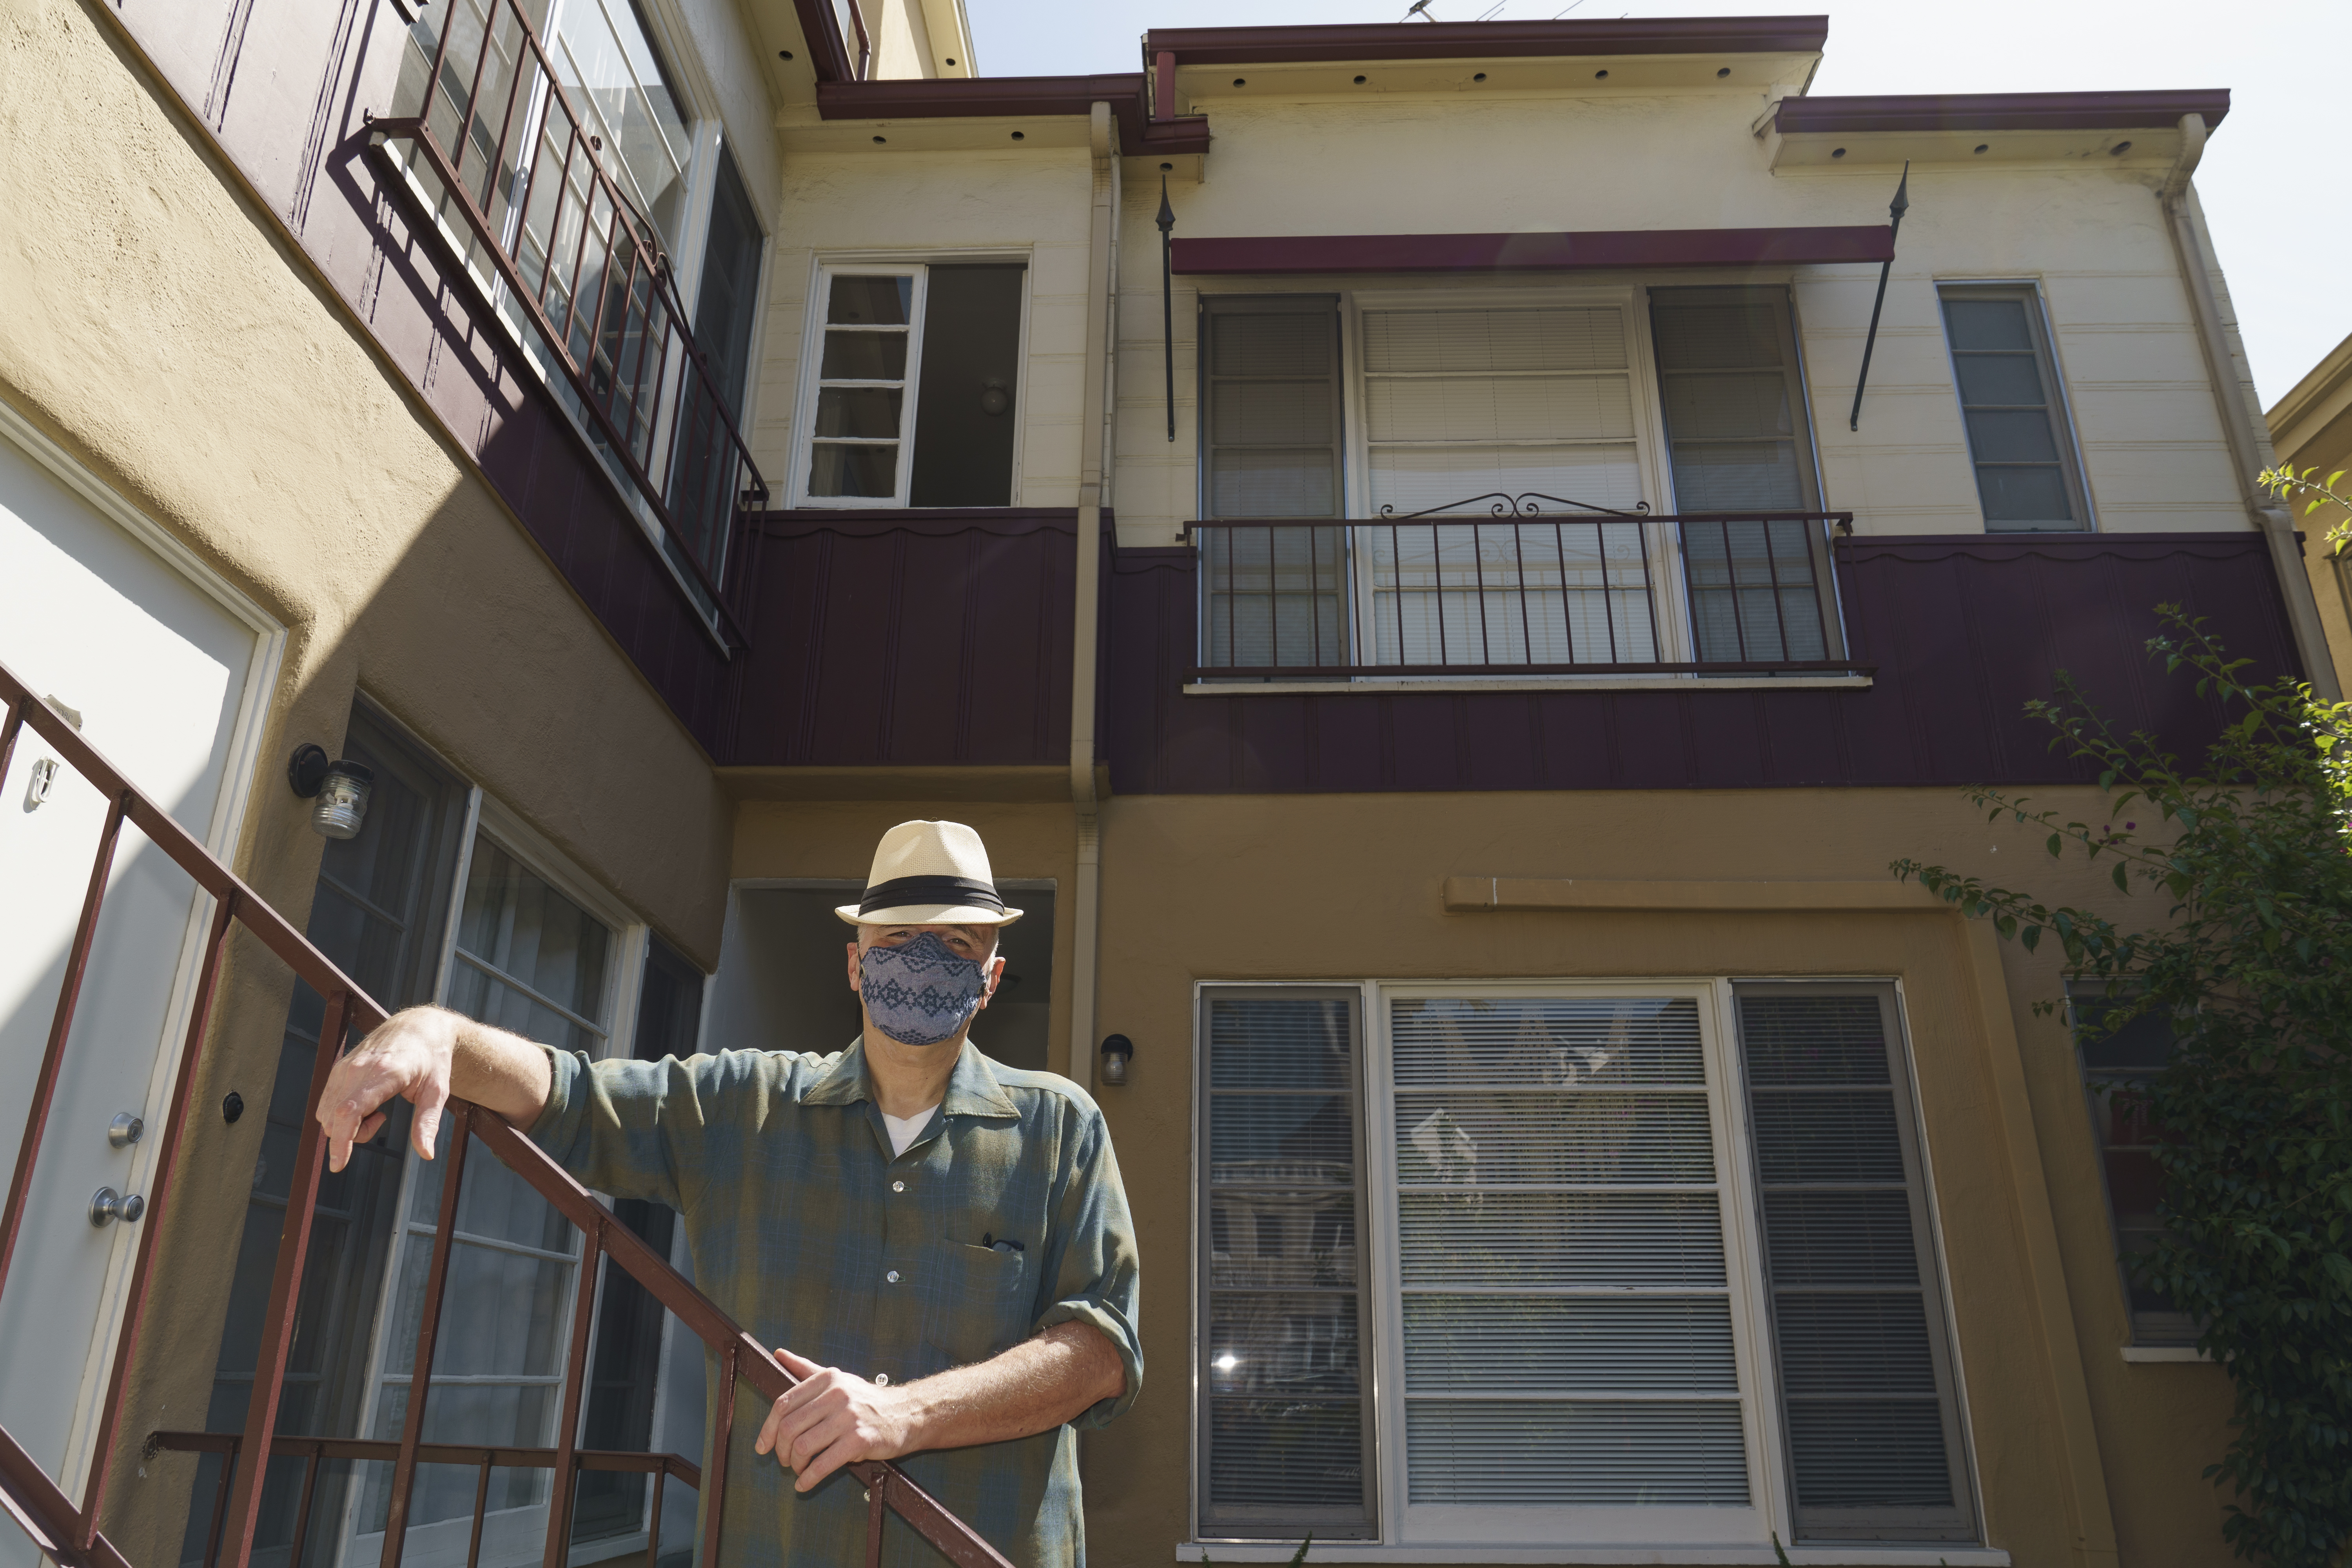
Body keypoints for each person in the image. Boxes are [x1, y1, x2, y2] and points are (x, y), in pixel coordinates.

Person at [316, 819, 1140, 1568]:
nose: (925, 963)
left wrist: (906, 1414)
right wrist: (435, 1032)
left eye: (956, 943)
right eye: (899, 940)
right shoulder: (741, 1105)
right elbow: (568, 1093)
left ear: (990, 977)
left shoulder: (1061, 1127)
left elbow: (1102, 1351)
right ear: (856, 962)